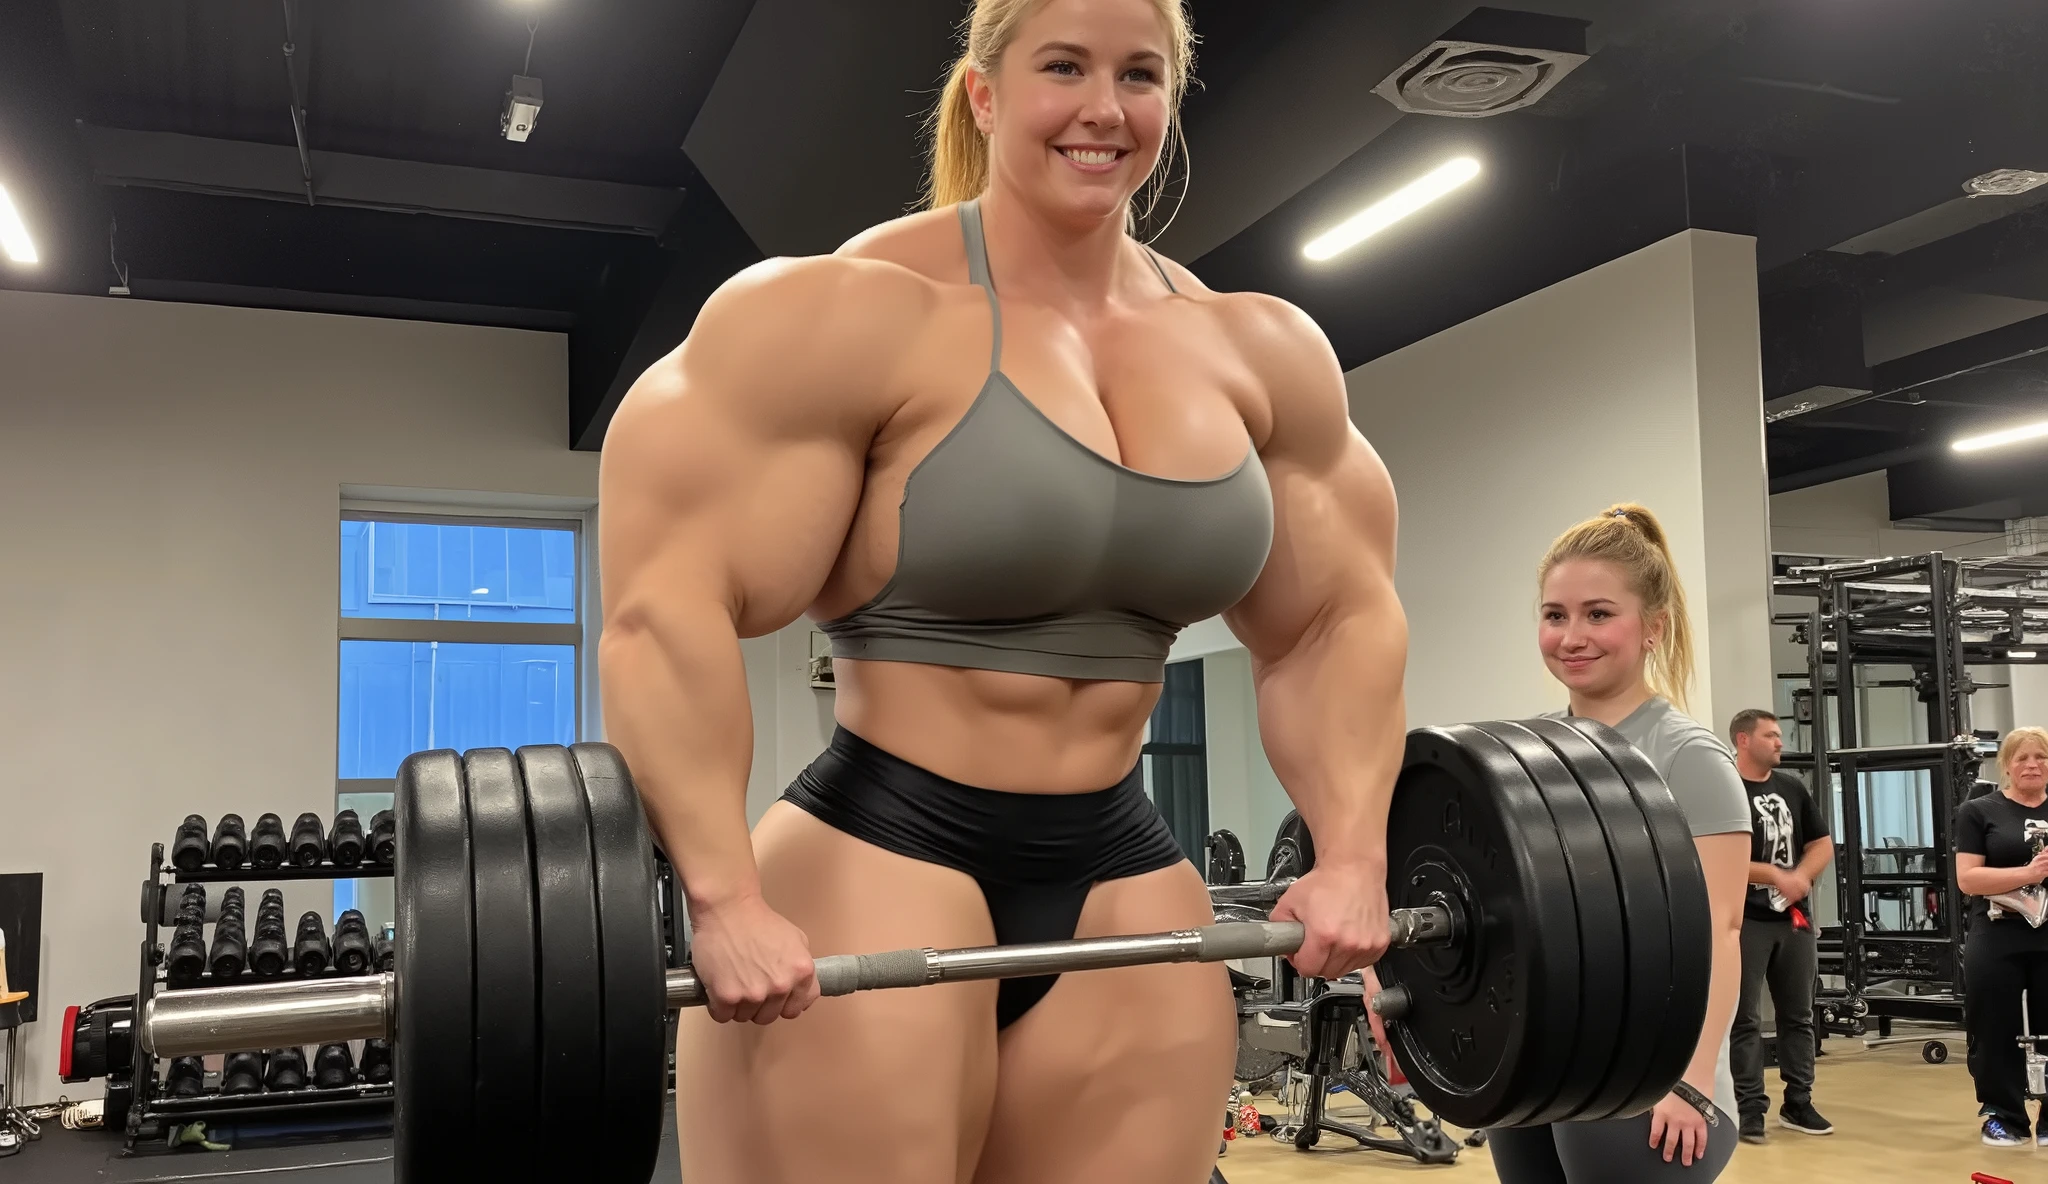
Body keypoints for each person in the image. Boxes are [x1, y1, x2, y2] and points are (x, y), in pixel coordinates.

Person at [595, 1, 1408, 1180]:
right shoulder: (849, 310)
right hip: (877, 851)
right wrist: (719, 895)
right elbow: (664, 605)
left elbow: (1334, 619)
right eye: (1062, 67)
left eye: (1138, 74)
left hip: (1126, 868)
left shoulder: (1258, 350)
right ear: (983, 95)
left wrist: (1354, 854)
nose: (1101, 107)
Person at [1485, 504, 1753, 1182]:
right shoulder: (1526, 750)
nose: (1572, 636)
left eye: (1599, 614)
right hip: (1544, 1067)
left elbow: (1720, 932)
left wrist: (1690, 1081)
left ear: (1653, 628)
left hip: (1655, 1075)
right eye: (1555, 615)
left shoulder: (1690, 758)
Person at [1724, 708, 1834, 1142]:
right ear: (1743, 740)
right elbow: (1717, 857)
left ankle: (1799, 1102)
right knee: (1744, 1018)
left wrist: (1803, 876)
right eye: (1771, 735)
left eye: (1780, 735)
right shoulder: (1724, 791)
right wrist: (1774, 875)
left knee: (1799, 1014)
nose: (1780, 742)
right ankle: (1750, 1108)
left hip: (1793, 919)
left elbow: (1821, 842)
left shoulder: (1791, 787)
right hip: (1745, 919)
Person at [1955, 725, 2048, 1148]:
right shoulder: (1979, 811)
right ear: (2007, 765)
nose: (2032, 765)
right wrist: (2028, 874)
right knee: (1993, 1023)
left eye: (2041, 757)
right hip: (1997, 933)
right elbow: (1968, 878)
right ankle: (2004, 1115)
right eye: (2022, 757)